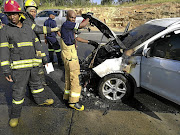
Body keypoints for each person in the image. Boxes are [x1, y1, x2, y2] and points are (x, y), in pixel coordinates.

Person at [0, 0, 54, 128]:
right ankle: (15, 115)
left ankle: (41, 101)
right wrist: (6, 70)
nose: (12, 17)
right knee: (18, 92)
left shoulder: (28, 27)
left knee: (37, 86)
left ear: (20, 14)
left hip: (34, 65)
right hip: (19, 69)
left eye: (14, 14)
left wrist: (45, 59)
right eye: (9, 14)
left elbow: (37, 44)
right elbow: (3, 51)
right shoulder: (5, 31)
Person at [60, 10, 99, 111]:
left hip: (68, 54)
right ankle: (73, 102)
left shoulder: (70, 27)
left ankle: (67, 96)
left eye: (74, 18)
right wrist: (89, 18)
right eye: (71, 17)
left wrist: (90, 42)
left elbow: (77, 38)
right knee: (76, 77)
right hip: (70, 55)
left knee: (69, 76)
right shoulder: (68, 24)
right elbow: (82, 25)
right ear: (67, 17)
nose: (73, 19)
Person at [23, 0, 60, 85]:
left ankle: (42, 81)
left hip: (37, 45)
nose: (34, 13)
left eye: (35, 11)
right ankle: (38, 83)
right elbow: (38, 29)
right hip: (32, 48)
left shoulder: (31, 20)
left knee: (43, 60)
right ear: (27, 11)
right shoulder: (26, 21)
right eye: (31, 11)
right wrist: (53, 29)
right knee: (38, 65)